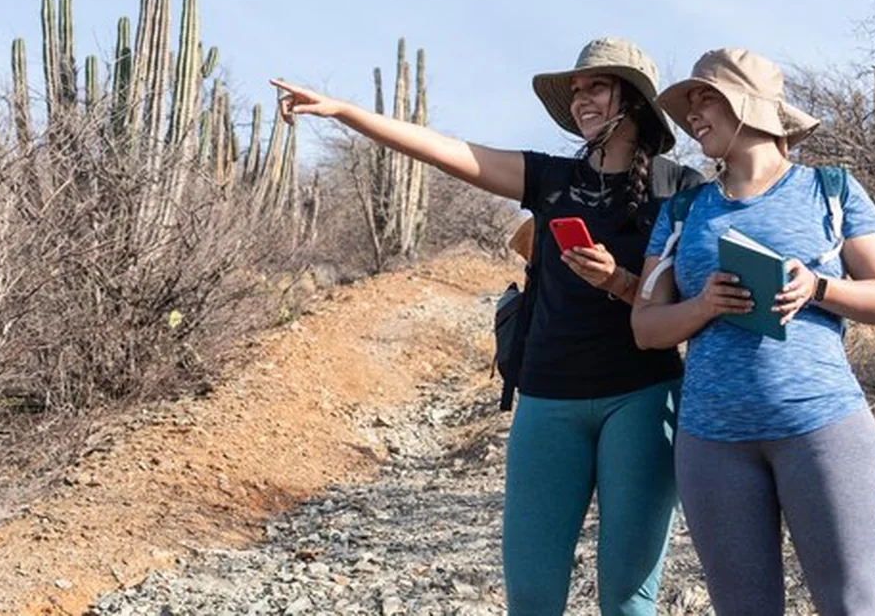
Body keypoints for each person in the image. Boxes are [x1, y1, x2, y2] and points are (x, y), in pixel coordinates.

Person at [272, 37, 703, 616]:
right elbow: (447, 151)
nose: (581, 100)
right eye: (575, 91)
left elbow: (691, 302)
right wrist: (346, 111)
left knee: (627, 599)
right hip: (548, 399)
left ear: (634, 101)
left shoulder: (682, 190)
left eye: (595, 86)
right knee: (531, 596)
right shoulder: (549, 178)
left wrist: (620, 281)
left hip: (644, 399)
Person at [631, 48, 875, 616]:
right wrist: (704, 306)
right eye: (690, 103)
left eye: (705, 97)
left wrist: (819, 288)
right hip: (711, 441)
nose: (693, 114)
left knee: (854, 605)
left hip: (822, 427)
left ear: (749, 105)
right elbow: (645, 327)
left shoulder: (829, 191)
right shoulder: (684, 211)